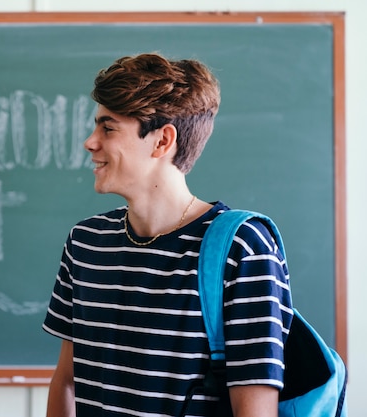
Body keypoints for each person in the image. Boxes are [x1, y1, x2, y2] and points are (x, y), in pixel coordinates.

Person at [42, 53, 293, 417]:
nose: (90, 142)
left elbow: (255, 409)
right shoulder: (85, 243)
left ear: (162, 141)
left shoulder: (242, 248)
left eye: (108, 128)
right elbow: (68, 381)